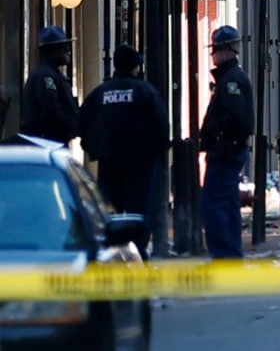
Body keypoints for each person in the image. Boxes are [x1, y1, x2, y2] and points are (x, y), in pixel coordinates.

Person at [79, 45, 170, 258]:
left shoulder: (100, 93)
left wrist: (94, 150)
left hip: (109, 162)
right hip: (141, 162)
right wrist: (155, 151)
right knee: (138, 209)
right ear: (135, 66)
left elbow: (82, 123)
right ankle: (137, 252)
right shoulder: (145, 91)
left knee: (111, 211)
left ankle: (115, 252)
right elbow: (161, 126)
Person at [200, 26, 255, 259]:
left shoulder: (231, 81)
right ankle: (230, 251)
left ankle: (223, 252)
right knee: (229, 201)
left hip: (226, 150)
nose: (213, 56)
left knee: (213, 202)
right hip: (227, 149)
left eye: (215, 51)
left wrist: (214, 133)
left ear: (226, 51)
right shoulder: (230, 79)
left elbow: (235, 118)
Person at [18, 26, 79, 144]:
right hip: (48, 142)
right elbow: (51, 110)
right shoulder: (45, 76)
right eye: (63, 48)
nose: (68, 51)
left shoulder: (51, 74)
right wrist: (67, 126)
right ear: (52, 51)